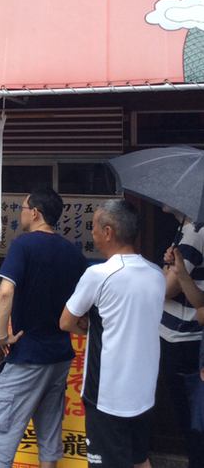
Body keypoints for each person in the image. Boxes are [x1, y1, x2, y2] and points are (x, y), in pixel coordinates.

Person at [0, 185, 87, 468]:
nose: (21, 212)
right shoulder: (73, 253)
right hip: (59, 355)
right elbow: (84, 305)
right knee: (49, 432)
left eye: (23, 207)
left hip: (27, 355)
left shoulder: (23, 244)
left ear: (35, 212)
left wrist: (2, 335)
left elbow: (5, 291)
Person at [60, 199, 165, 468]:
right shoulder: (156, 274)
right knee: (140, 459)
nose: (92, 232)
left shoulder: (99, 274)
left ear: (108, 232)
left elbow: (66, 321)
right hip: (143, 392)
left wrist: (88, 326)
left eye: (94, 226)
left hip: (107, 395)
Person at [160, 206, 204, 468]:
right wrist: (171, 266)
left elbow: (167, 289)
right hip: (181, 334)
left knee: (190, 416)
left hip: (184, 336)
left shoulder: (195, 234)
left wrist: (169, 270)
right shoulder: (187, 232)